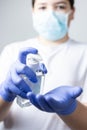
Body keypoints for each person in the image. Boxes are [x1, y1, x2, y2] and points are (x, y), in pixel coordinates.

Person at [0, 0, 87, 130]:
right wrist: (5, 94)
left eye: (60, 6)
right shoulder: (12, 51)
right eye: (42, 7)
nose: (50, 13)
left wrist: (70, 109)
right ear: (33, 12)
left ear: (72, 12)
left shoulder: (84, 53)